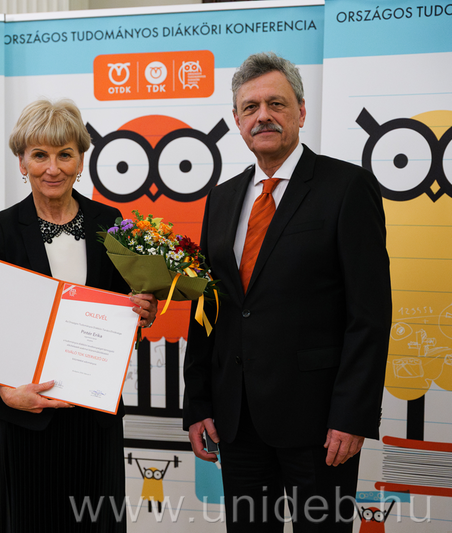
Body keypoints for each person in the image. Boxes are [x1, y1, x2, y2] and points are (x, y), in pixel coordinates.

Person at [183, 52, 391, 532]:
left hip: (320, 425)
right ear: (236, 120)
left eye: (276, 104)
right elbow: (208, 307)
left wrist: (352, 415)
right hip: (237, 420)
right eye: (250, 107)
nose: (263, 116)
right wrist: (198, 404)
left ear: (300, 110)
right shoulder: (221, 197)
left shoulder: (348, 187)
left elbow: (369, 314)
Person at [0, 98, 157, 532]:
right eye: (40, 155)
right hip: (23, 413)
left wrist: (141, 311)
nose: (52, 168)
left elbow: (124, 313)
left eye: (64, 154)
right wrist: (8, 392)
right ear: (22, 162)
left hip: (93, 417)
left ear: (81, 161)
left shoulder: (110, 222)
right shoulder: (1, 229)